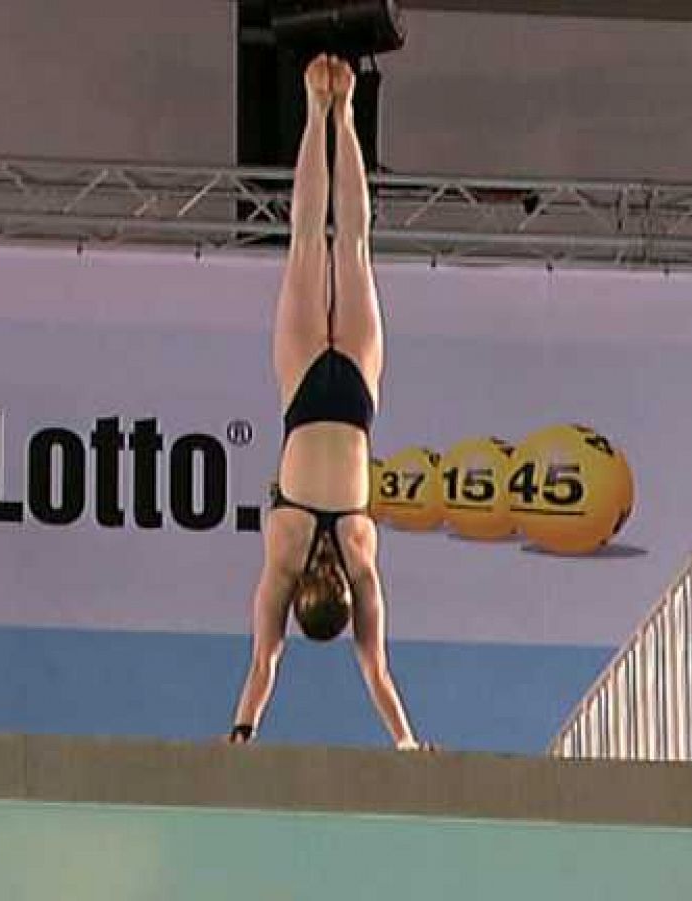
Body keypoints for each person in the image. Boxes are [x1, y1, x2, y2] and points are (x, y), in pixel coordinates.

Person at [228, 54, 426, 751]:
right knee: (313, 243)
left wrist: (408, 741)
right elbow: (265, 661)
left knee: (352, 247)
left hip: (354, 395)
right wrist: (241, 729)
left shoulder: (361, 556)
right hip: (307, 387)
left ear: (340, 598)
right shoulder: (285, 555)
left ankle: (340, 113)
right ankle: (320, 111)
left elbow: (374, 667)